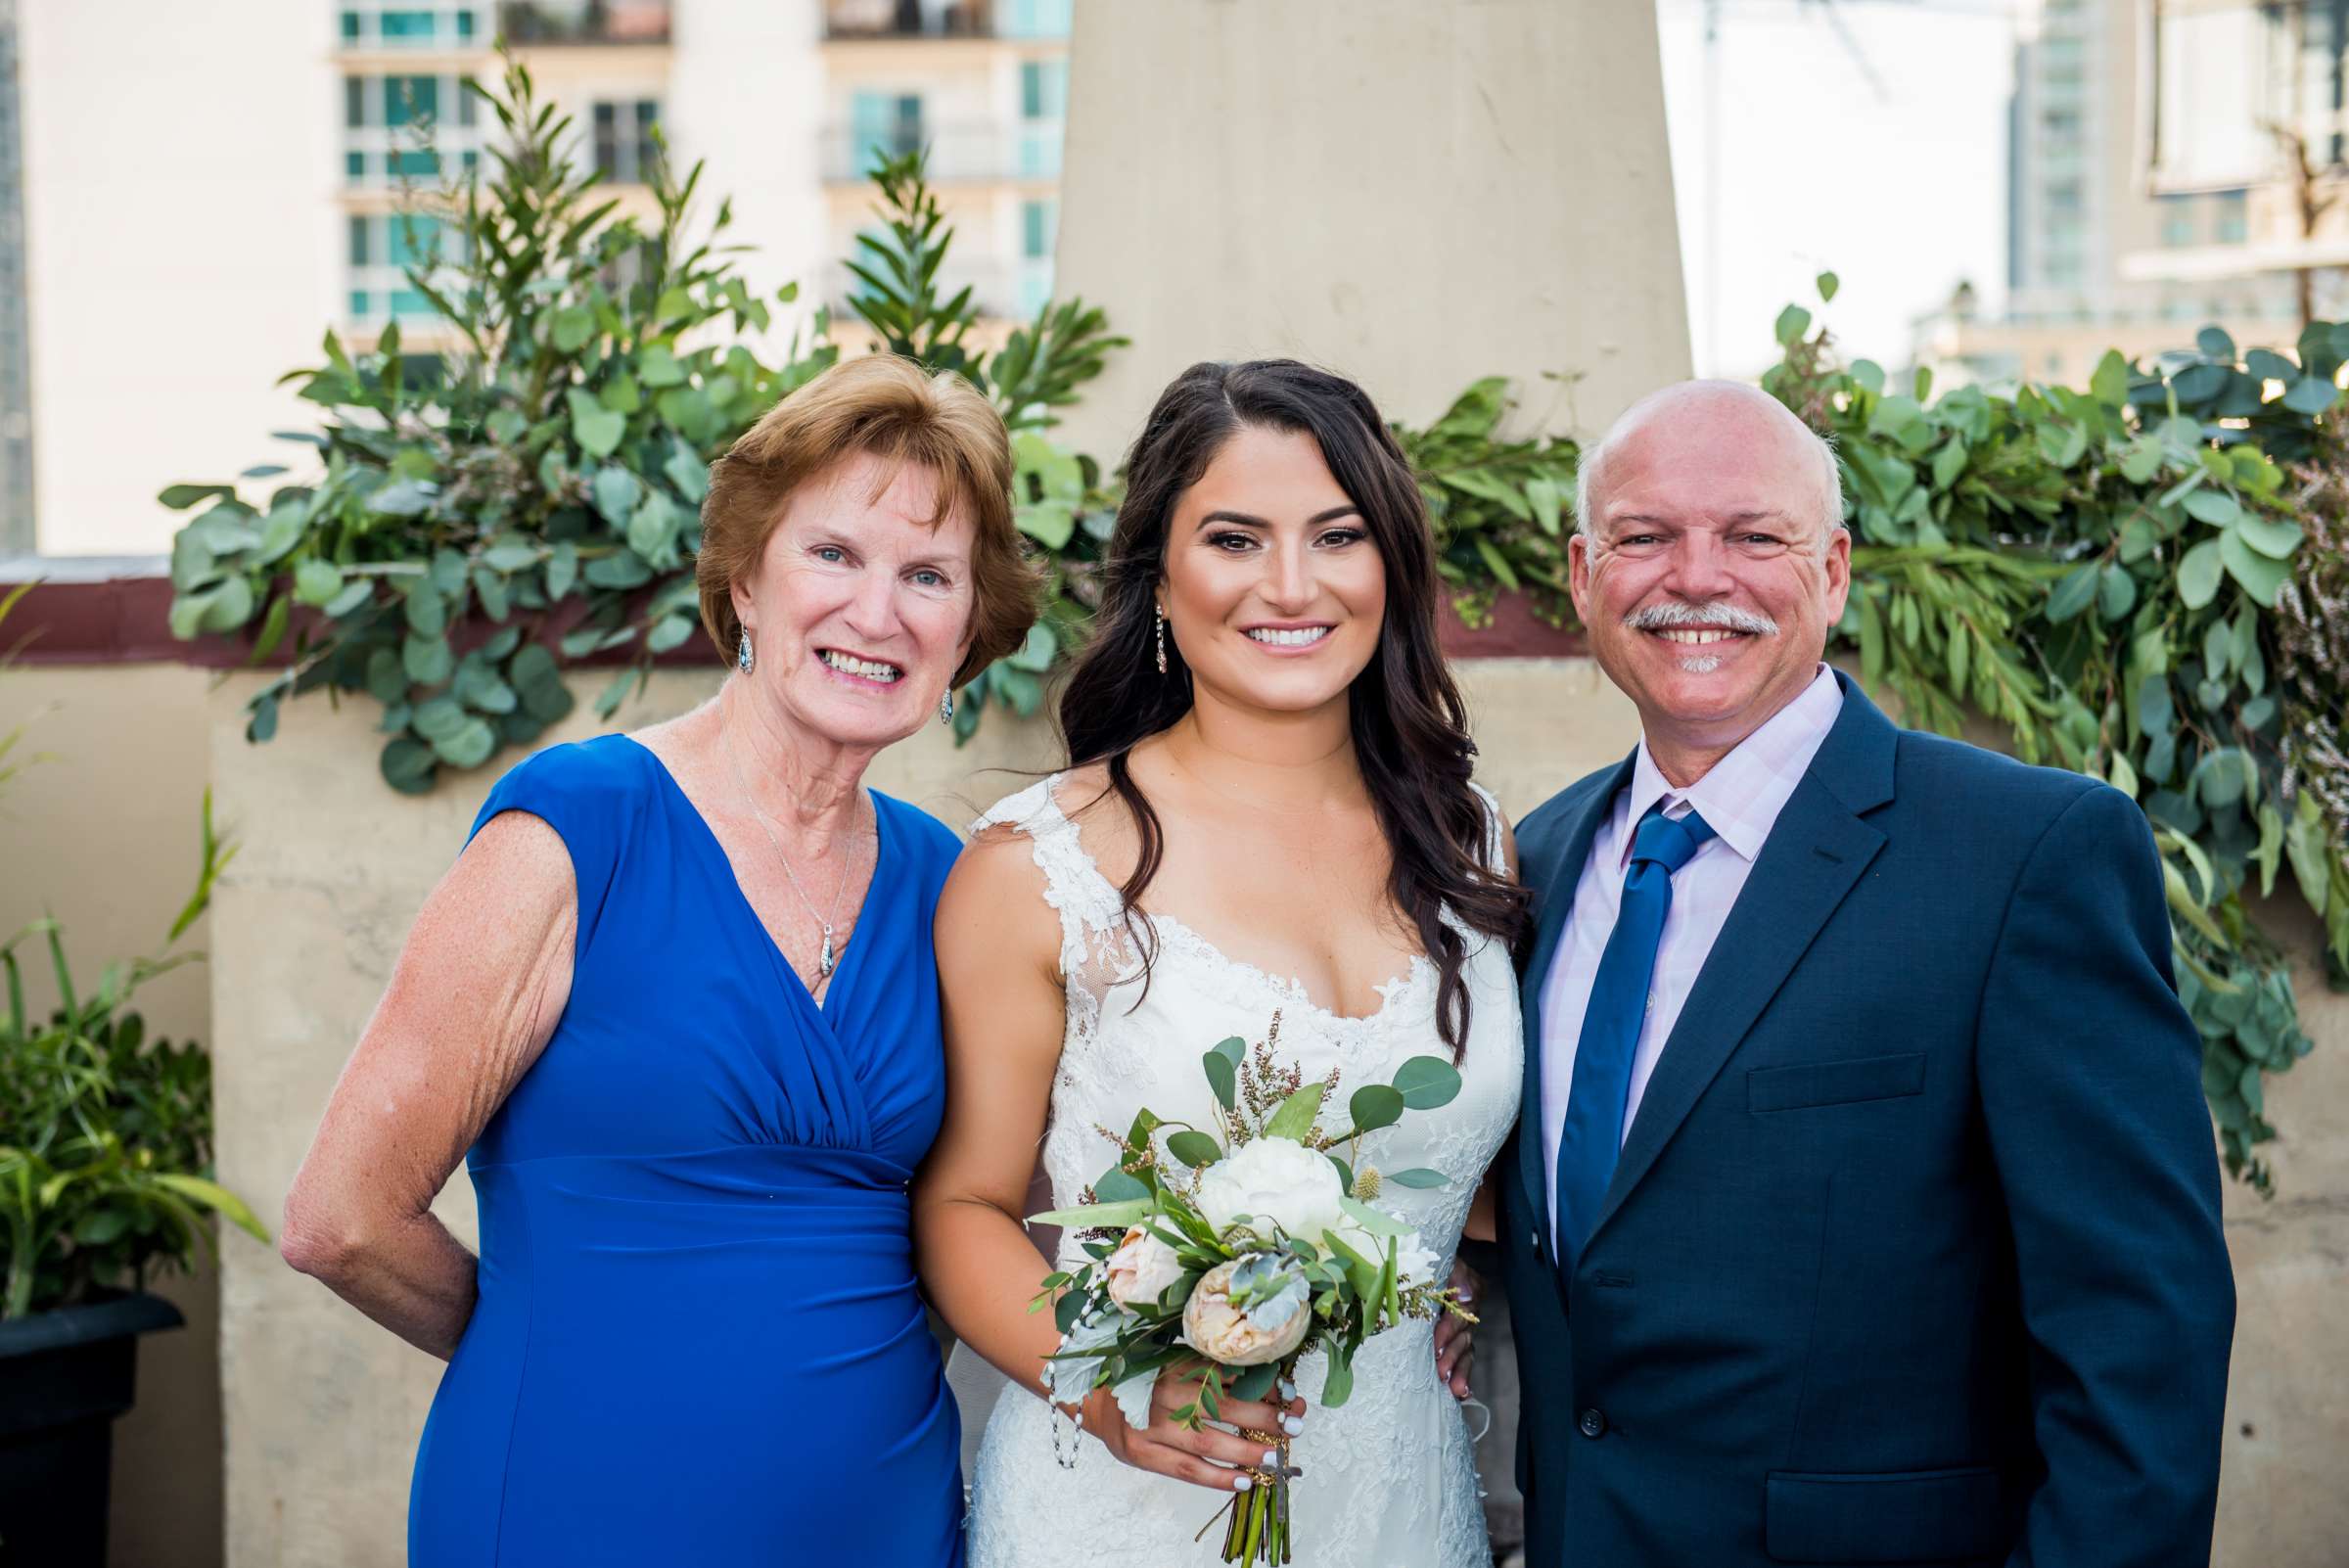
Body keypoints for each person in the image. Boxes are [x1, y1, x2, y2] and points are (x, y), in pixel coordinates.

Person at [278, 353, 1039, 1566]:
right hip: (577, 1504)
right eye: (833, 554)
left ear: (967, 631)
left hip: (881, 1517)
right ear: (745, 578)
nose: (878, 611)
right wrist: (553, 1339)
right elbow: (340, 1218)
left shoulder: (952, 881)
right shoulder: (578, 829)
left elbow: (997, 1216)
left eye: (928, 575)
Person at [1496, 380, 2235, 1567]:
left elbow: (2139, 1335)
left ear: (1833, 572)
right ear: (1586, 576)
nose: (1696, 577)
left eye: (1753, 536)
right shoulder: (1530, 862)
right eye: (1645, 537)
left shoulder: (2027, 855)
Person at [912, 359, 1530, 1567]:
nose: (1290, 586)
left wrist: (1442, 1259)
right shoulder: (1043, 867)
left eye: (1337, 535)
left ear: (1389, 568)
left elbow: (1474, 1161)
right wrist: (1105, 1381)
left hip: (1403, 1508)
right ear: (1160, 576)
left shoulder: (1475, 843)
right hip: (1120, 1515)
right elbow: (962, 1206)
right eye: (1235, 539)